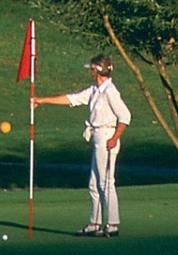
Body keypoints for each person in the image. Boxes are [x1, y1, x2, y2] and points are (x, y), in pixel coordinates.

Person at [34, 54, 132, 238]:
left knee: (106, 182)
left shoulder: (110, 91)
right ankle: (94, 223)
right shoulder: (95, 90)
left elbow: (125, 116)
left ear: (98, 70)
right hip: (97, 136)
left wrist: (115, 137)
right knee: (94, 183)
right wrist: (42, 99)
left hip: (107, 136)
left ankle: (112, 224)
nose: (89, 71)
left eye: (92, 68)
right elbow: (72, 98)